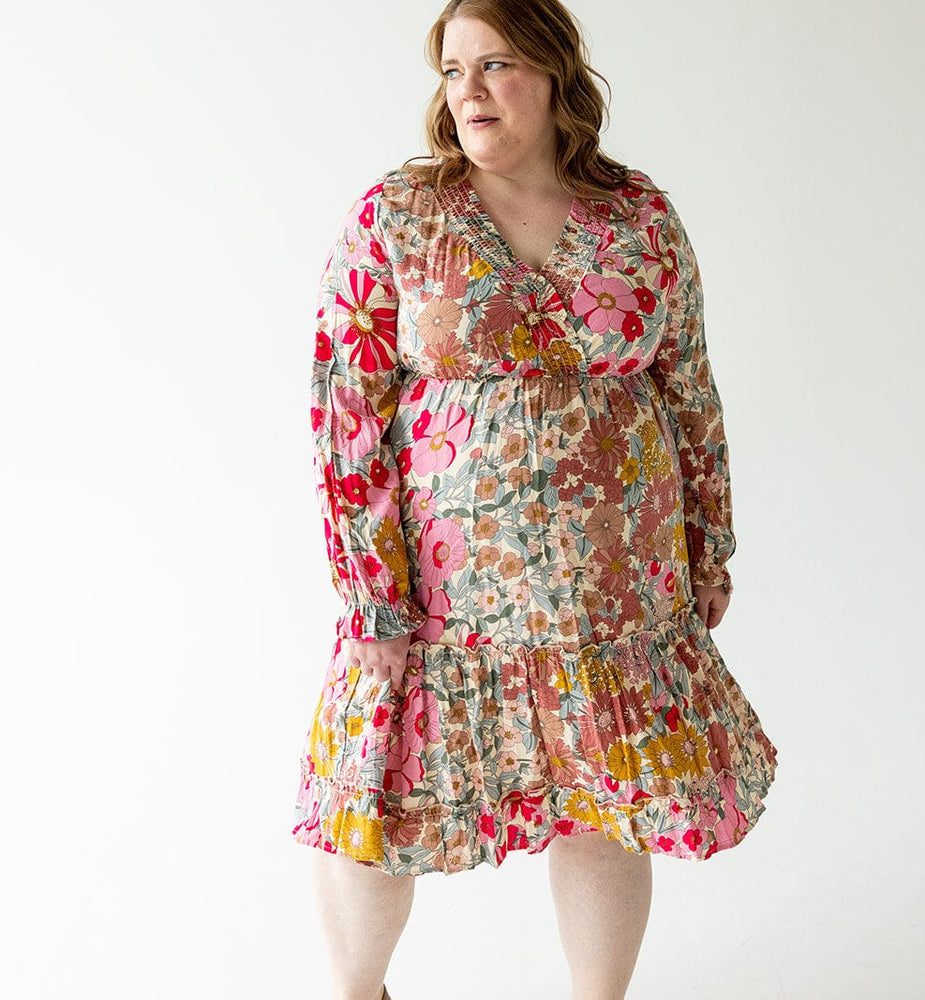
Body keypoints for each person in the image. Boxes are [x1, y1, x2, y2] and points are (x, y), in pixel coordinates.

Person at [291, 1, 779, 997]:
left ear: (556, 75)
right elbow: (345, 401)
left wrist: (707, 542)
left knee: (607, 807)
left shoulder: (640, 217)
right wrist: (370, 583)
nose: (466, 92)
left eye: (495, 64)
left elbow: (688, 383)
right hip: (439, 595)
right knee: (374, 802)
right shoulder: (401, 214)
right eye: (452, 70)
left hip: (613, 589)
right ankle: (356, 993)